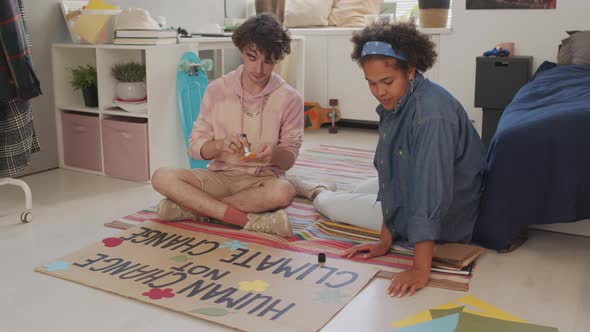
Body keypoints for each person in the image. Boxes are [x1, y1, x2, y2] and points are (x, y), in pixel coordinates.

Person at [289, 22, 486, 297]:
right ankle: (337, 191)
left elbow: (429, 195)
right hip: (420, 189)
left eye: (387, 82)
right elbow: (390, 169)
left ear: (410, 69)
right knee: (360, 189)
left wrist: (419, 269)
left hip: (450, 213)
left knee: (327, 203)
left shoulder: (431, 115)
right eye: (371, 83)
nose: (380, 91)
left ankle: (315, 189)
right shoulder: (405, 98)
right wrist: (385, 240)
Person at [152, 13, 303, 237]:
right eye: (252, 57)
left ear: (277, 59)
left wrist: (274, 153)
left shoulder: (291, 98)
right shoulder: (217, 90)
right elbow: (195, 146)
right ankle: (242, 219)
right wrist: (220, 145)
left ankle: (194, 209)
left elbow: (289, 159)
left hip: (262, 181)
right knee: (161, 176)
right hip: (219, 177)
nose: (259, 68)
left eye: (268, 60)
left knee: (284, 191)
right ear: (241, 51)